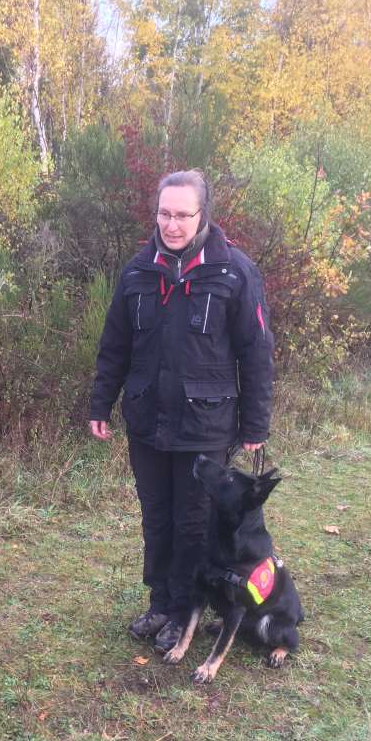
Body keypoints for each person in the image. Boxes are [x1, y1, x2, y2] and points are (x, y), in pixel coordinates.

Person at [89, 170, 273, 654]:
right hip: (147, 420)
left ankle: (184, 611)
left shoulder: (234, 271)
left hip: (205, 424)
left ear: (202, 215)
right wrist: (100, 401)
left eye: (182, 215)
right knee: (156, 517)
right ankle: (161, 602)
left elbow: (256, 351)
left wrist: (255, 423)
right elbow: (115, 345)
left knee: (193, 523)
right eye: (164, 213)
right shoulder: (137, 271)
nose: (171, 224)